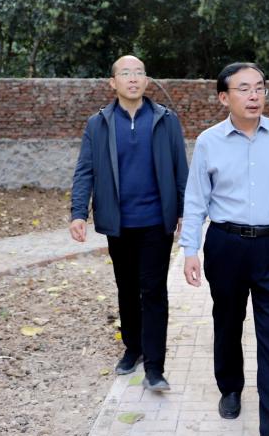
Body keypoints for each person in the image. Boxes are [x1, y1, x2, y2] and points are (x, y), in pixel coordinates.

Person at [181, 62, 269, 436]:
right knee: (228, 322)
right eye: (244, 89)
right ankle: (230, 388)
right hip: (226, 245)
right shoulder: (209, 142)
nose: (254, 96)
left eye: (259, 88)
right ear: (224, 97)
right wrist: (190, 250)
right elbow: (196, 200)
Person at [70, 55, 189, 392]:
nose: (133, 78)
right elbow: (85, 171)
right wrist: (78, 213)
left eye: (138, 73)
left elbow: (181, 169)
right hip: (118, 222)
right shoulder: (99, 124)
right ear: (114, 83)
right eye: (125, 73)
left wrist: (186, 212)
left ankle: (155, 367)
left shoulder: (166, 120)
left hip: (156, 222)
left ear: (147, 81)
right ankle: (133, 348)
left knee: (153, 291)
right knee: (126, 288)